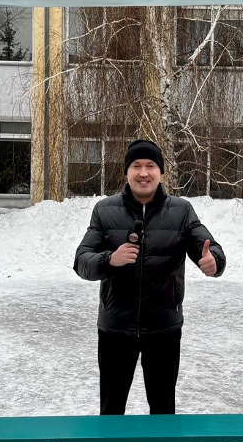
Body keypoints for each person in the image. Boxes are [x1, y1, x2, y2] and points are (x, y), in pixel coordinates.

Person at [74, 139, 226, 415]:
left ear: (161, 172)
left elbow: (208, 247)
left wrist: (214, 260)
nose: (143, 173)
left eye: (150, 166)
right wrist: (110, 259)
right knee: (111, 411)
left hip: (164, 329)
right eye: (136, 166)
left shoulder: (181, 211)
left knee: (163, 410)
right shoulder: (105, 210)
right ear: (126, 172)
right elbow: (82, 261)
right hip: (115, 329)